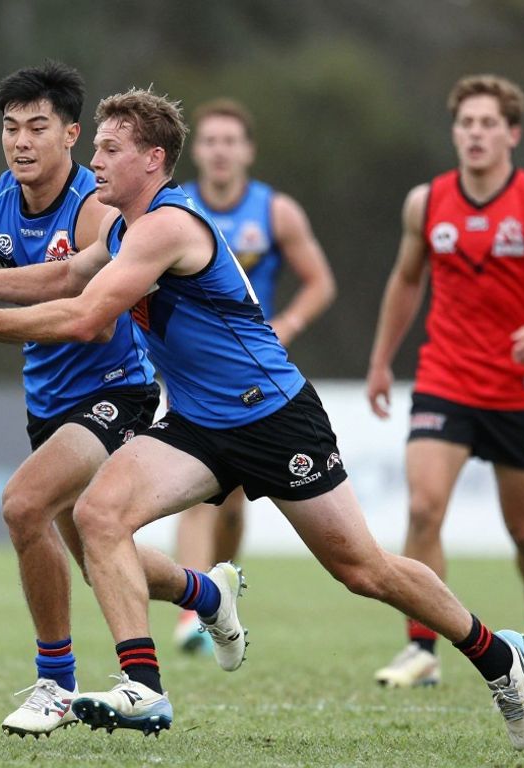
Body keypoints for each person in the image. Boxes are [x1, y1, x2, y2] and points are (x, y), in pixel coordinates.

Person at [0, 87, 524, 751]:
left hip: (273, 416)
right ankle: (144, 686)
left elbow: (85, 317)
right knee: (98, 514)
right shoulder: (128, 229)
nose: (93, 162)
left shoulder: (168, 227)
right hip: (197, 427)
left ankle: (497, 656)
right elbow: (68, 278)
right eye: (95, 147)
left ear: (152, 159)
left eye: (109, 149)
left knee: (363, 571)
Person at [0, 62, 249, 739]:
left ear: (71, 135)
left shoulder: (98, 207)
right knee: (94, 557)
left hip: (118, 390)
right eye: (10, 128)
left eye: (38, 128)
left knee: (23, 504)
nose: (21, 142)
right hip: (47, 400)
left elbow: (93, 312)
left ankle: (56, 682)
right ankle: (207, 592)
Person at [366, 74, 524, 691]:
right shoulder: (427, 201)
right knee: (423, 506)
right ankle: (421, 648)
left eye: (488, 123)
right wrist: (381, 359)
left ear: (512, 133)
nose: (475, 134)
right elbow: (405, 281)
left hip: (515, 391)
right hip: (444, 378)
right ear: (455, 131)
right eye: (466, 123)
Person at [173, 98, 336, 654]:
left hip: (252, 376)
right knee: (195, 495)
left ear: (247, 151)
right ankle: (194, 614)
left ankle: (223, 583)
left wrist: (289, 321)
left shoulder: (275, 212)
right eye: (210, 140)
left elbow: (320, 282)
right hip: (192, 370)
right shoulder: (178, 208)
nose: (220, 151)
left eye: (230, 141)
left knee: (233, 501)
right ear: (196, 151)